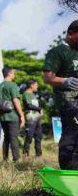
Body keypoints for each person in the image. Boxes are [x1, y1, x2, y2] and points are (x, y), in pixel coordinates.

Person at [43, 20, 78, 170]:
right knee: (72, 131)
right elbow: (48, 77)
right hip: (68, 101)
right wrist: (65, 81)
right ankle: (68, 168)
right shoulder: (57, 52)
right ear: (71, 34)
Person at [0, 67, 25, 162]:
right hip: (12, 116)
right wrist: (21, 115)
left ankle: (5, 158)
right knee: (14, 138)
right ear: (9, 73)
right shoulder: (12, 85)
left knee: (6, 137)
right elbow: (16, 100)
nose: (14, 75)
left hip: (3, 116)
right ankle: (16, 159)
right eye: (13, 73)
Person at [22, 79, 43, 157]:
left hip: (37, 118)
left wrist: (39, 110)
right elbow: (29, 105)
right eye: (36, 85)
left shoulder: (33, 95)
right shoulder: (26, 94)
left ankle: (39, 155)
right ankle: (25, 155)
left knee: (38, 136)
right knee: (29, 137)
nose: (37, 86)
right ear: (31, 85)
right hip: (30, 119)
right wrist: (39, 109)